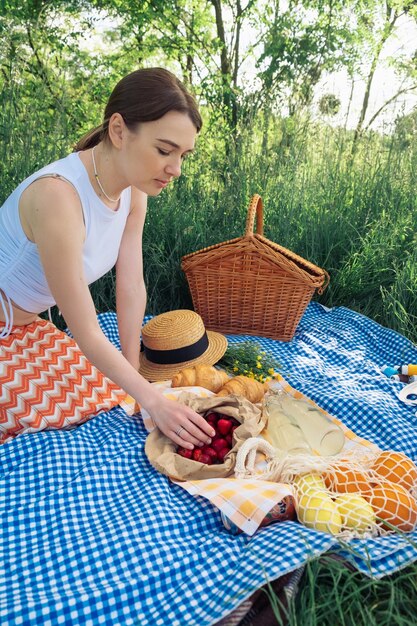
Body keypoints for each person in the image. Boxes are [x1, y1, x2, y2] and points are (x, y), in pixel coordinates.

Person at [0, 67, 216, 449]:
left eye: (183, 155)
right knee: (51, 422)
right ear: (118, 130)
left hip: (28, 328)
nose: (176, 169)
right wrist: (151, 400)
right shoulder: (58, 196)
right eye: (164, 150)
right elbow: (84, 329)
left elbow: (131, 286)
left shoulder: (134, 194)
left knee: (110, 397)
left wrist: (134, 376)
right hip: (7, 332)